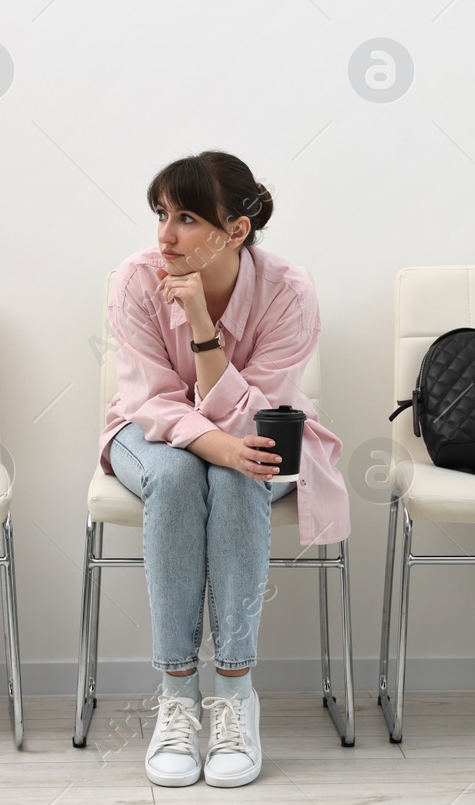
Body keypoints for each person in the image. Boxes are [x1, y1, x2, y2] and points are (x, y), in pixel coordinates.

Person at [97, 150, 349, 788]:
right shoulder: (136, 278)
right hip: (147, 430)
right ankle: (178, 695)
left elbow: (256, 422)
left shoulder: (289, 293)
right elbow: (150, 401)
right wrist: (216, 446)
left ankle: (234, 694)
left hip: (260, 434)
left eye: (185, 218)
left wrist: (204, 328)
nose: (164, 235)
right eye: (160, 215)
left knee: (242, 475)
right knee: (183, 475)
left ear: (235, 230)